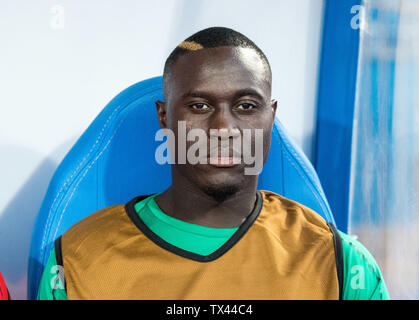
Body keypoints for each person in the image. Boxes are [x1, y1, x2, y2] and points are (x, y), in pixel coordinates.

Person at [37, 27, 389, 300]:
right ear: (163, 116)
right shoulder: (78, 258)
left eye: (247, 106)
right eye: (200, 106)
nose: (223, 128)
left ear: (272, 116)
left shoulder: (342, 264)